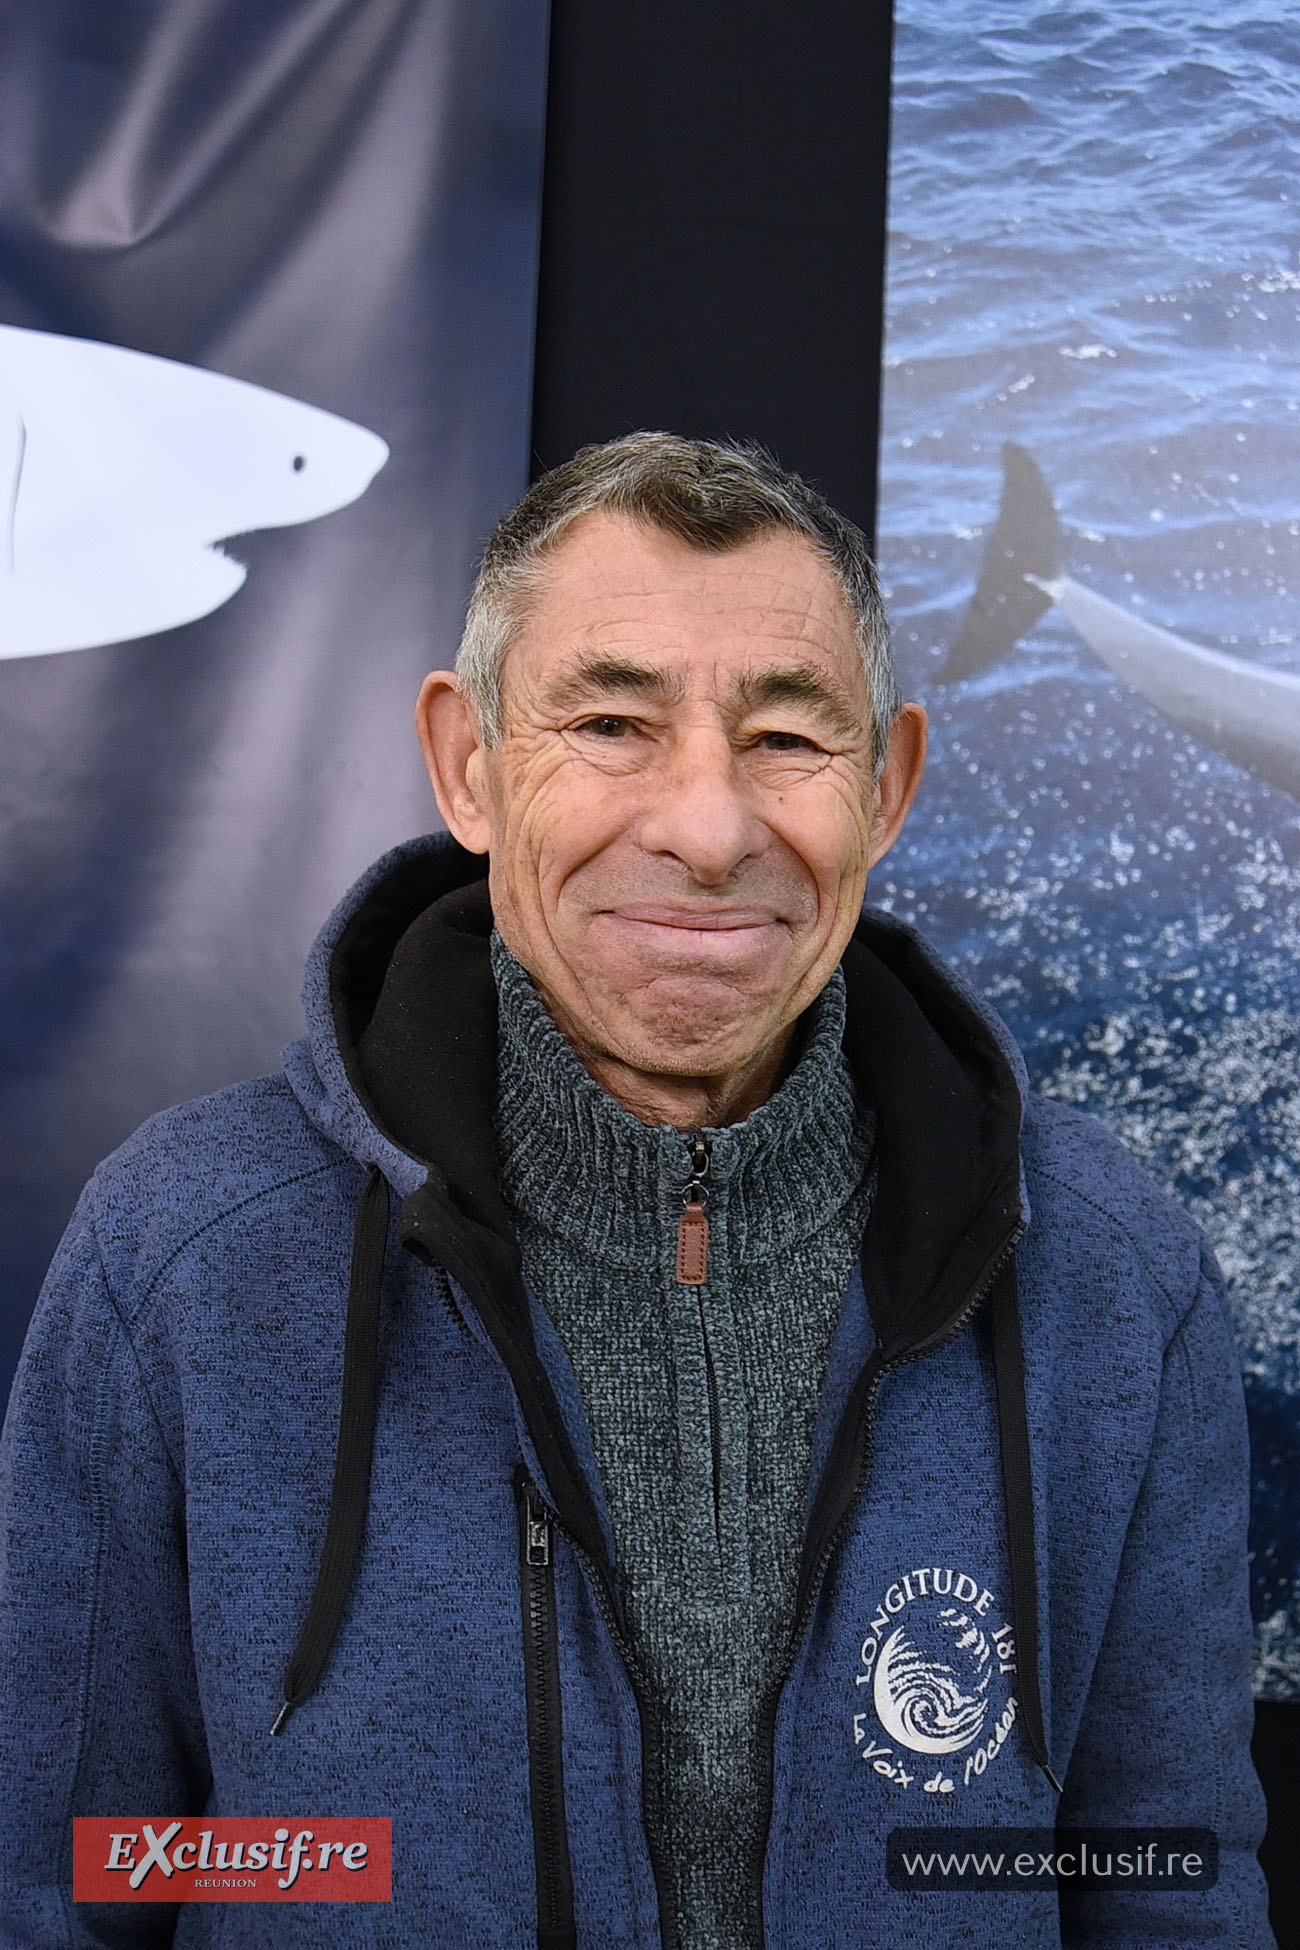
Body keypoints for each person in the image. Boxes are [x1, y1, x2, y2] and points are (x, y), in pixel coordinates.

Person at [0, 433, 1271, 1947]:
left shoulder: (1119, 1273)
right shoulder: (186, 1252)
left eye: (789, 741)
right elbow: (72, 1879)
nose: (708, 828)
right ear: (469, 764)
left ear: (890, 788)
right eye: (610, 721)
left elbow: (1162, 1888)